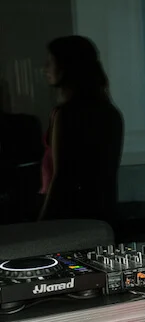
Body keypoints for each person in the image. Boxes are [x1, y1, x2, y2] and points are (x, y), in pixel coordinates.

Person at [38, 36, 124, 224]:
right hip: (101, 215)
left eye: (50, 61)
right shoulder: (110, 112)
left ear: (65, 65)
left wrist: (42, 224)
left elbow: (61, 177)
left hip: (68, 217)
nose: (45, 68)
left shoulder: (67, 114)